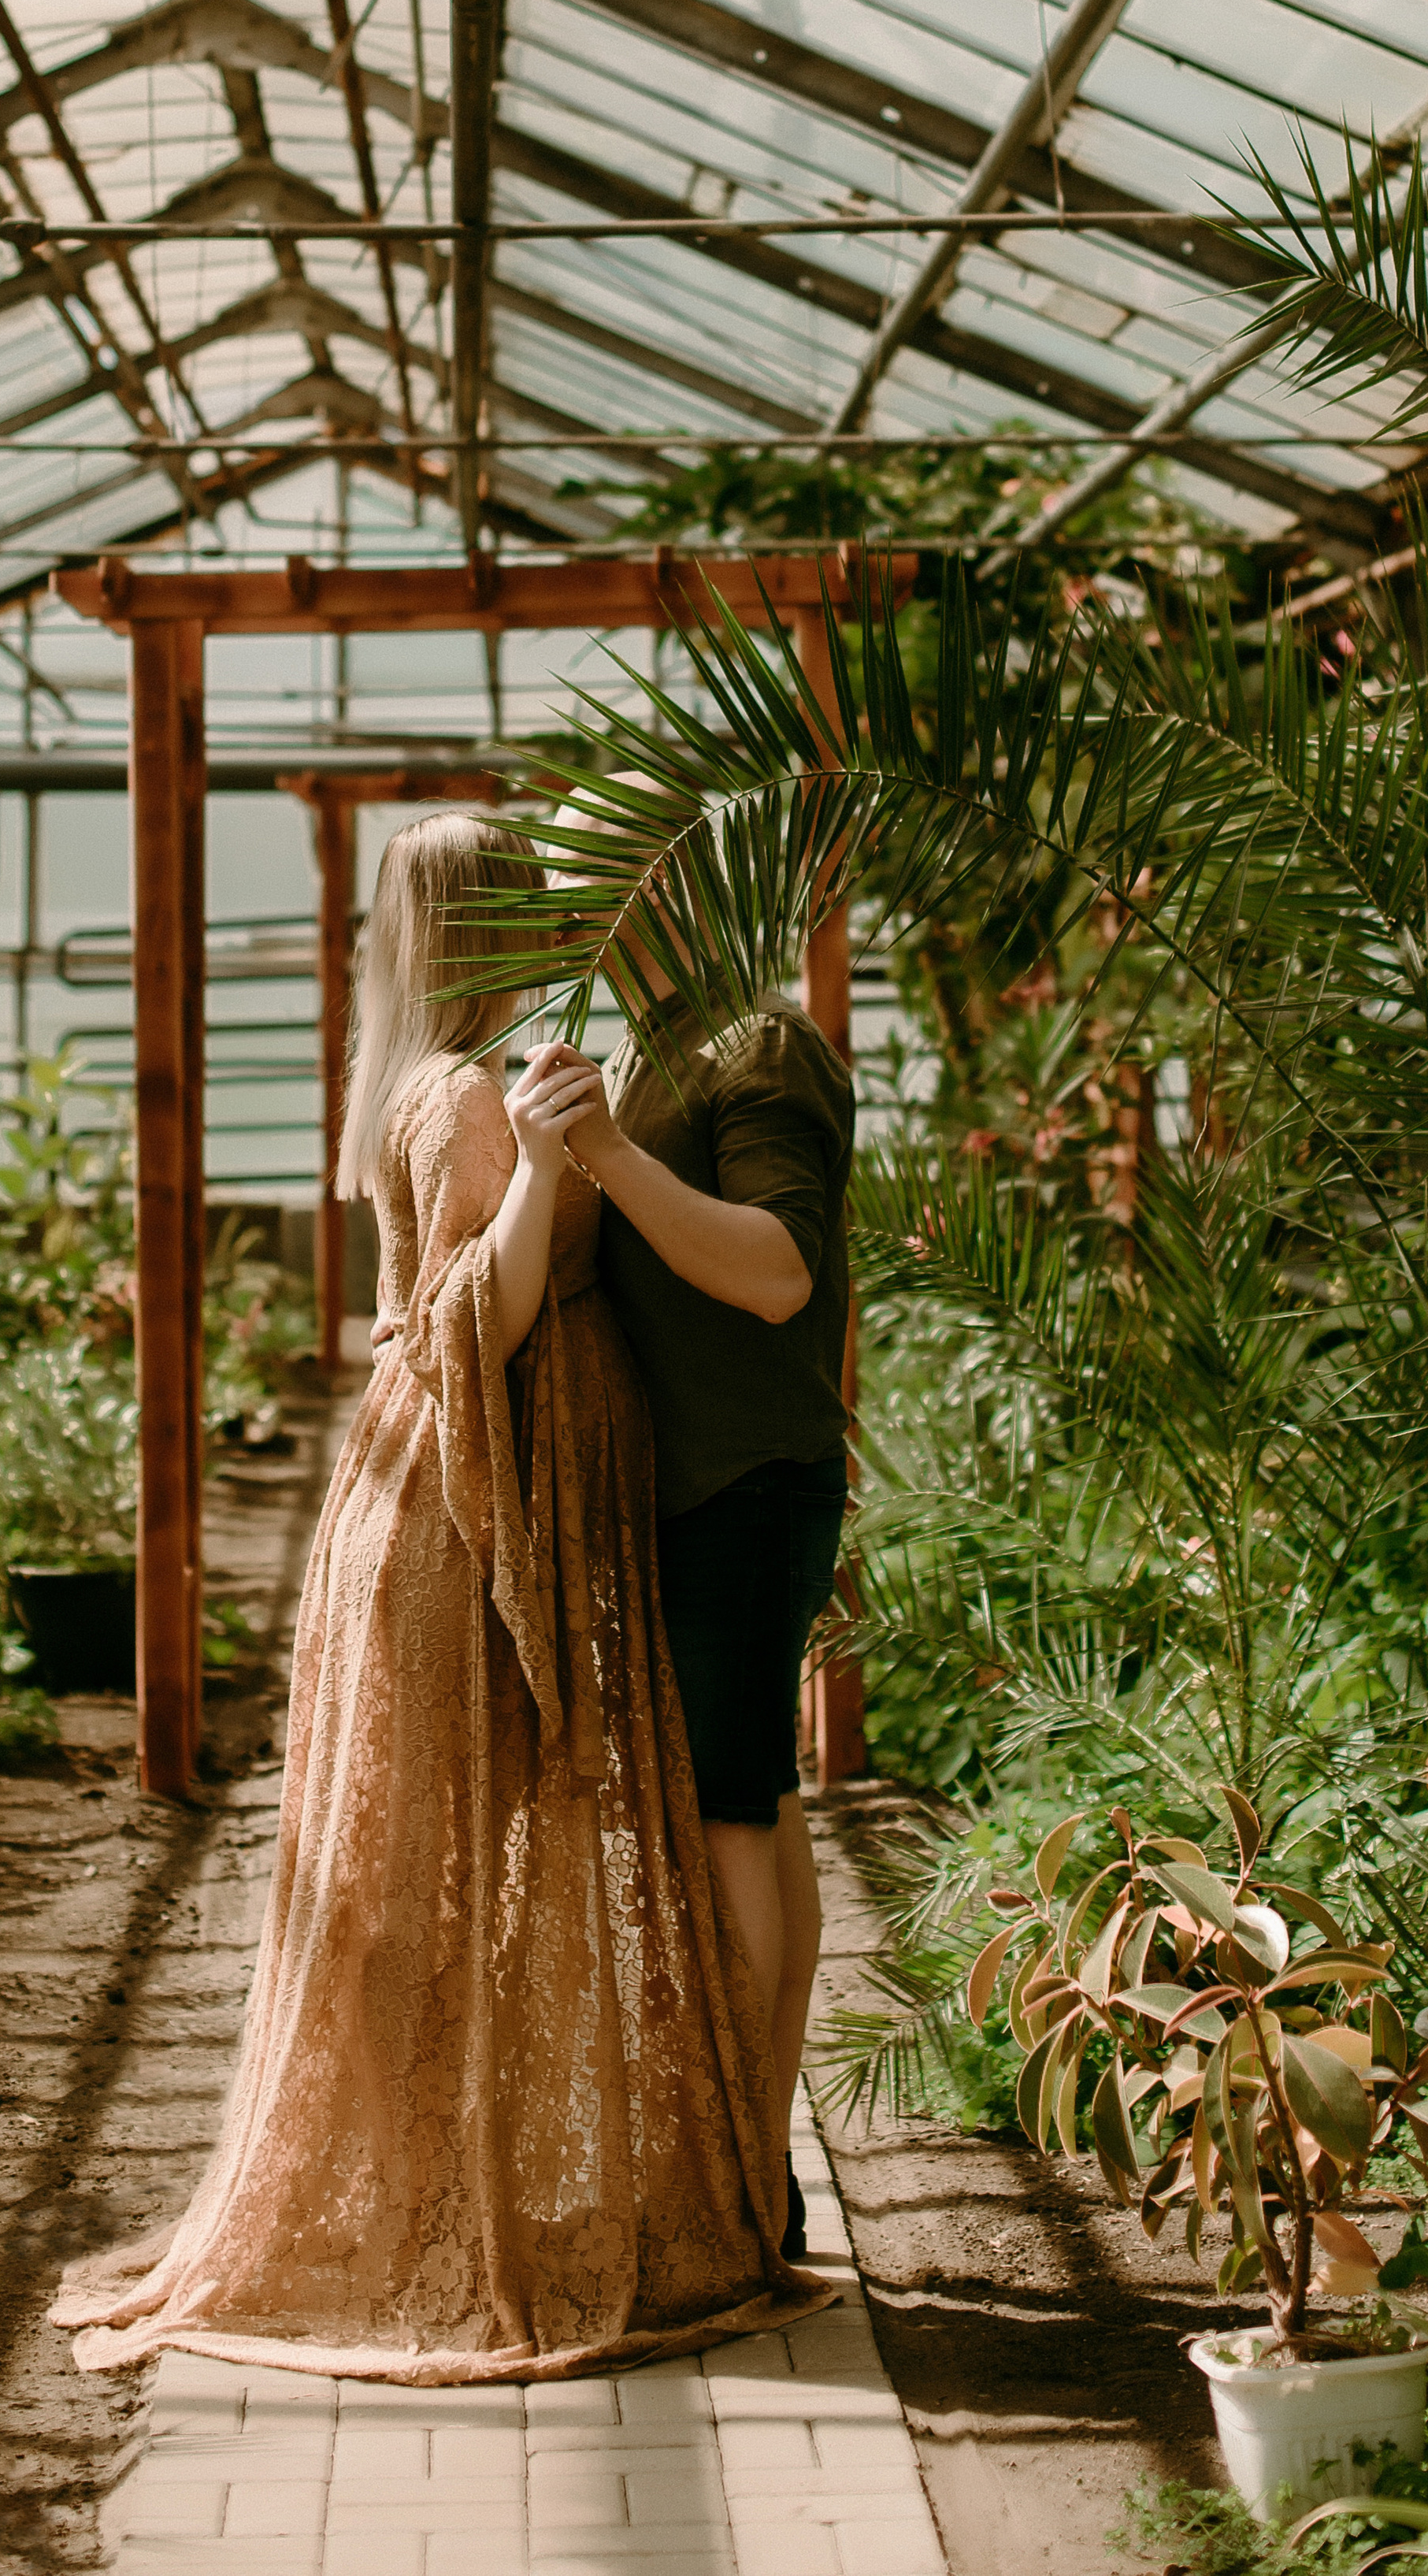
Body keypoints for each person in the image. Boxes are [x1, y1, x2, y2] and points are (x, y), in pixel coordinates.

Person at [53, 815, 828, 2381]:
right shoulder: (478, 1090)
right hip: (472, 1502)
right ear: (487, 922)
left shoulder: (439, 1075)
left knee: (503, 1851)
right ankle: (473, 2199)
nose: (579, 913)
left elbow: (744, 1271)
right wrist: (553, 1169)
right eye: (540, 892)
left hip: (488, 1492)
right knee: (481, 1856)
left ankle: (533, 2178)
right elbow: (488, 1304)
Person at [523, 960, 855, 2261]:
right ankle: (752, 2173)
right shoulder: (662, 1036)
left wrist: (600, 1144)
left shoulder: (760, 1045)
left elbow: (778, 1271)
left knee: (731, 1824)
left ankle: (731, 2183)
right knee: (757, 1808)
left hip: (746, 1489)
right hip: (709, 1493)